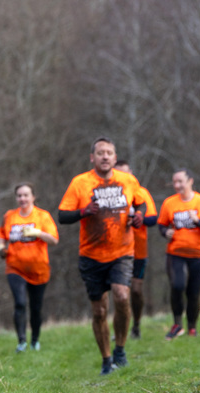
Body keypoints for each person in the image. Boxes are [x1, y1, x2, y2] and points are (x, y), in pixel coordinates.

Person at [58, 138, 146, 375]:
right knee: (99, 311)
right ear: (92, 158)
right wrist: (83, 211)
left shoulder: (127, 180)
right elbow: (62, 215)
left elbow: (142, 203)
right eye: (100, 153)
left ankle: (120, 349)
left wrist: (139, 215)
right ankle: (107, 360)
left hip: (122, 252)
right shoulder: (80, 183)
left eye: (109, 153)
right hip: (91, 255)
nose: (105, 156)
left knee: (121, 295)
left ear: (115, 158)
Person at [0, 182, 59, 353]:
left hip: (39, 269)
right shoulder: (9, 216)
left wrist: (37, 233)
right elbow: (2, 234)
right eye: (19, 195)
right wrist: (1, 248)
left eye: (26, 195)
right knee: (20, 303)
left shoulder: (42, 216)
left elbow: (54, 240)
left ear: (33, 197)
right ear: (16, 198)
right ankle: (22, 342)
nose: (22, 198)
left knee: (36, 307)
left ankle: (35, 340)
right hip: (15, 267)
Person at [157, 169, 200, 339]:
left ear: (190, 181)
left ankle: (191, 328)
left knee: (193, 292)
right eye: (174, 182)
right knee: (177, 285)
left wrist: (197, 221)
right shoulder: (169, 203)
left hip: (198, 254)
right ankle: (177, 324)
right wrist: (165, 232)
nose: (177, 185)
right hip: (176, 253)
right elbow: (161, 225)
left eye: (180, 181)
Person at [114, 160, 157, 339]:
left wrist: (139, 219)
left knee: (136, 291)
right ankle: (120, 329)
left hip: (138, 248)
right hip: (116, 249)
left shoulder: (141, 192)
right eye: (120, 174)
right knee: (119, 291)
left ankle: (137, 324)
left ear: (131, 173)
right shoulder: (112, 196)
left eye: (126, 173)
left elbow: (153, 218)